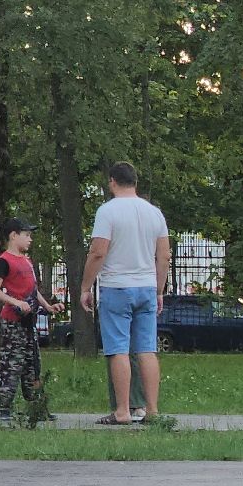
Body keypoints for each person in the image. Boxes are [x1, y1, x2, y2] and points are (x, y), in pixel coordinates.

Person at [79, 161, 170, 426]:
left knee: (118, 348)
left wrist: (86, 287)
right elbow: (163, 255)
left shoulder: (108, 212)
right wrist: (159, 289)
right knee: (146, 349)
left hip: (117, 287)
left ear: (112, 182)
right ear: (136, 182)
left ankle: (122, 411)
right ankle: (152, 411)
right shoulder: (154, 213)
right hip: (147, 287)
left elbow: (98, 252)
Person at [0, 217, 64, 420]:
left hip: (29, 322)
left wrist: (47, 306)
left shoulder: (26, 261)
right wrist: (15, 302)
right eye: (26, 235)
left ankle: (36, 407)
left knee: (32, 363)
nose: (30, 239)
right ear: (13, 236)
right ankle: (3, 407)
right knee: (12, 362)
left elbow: (33, 290)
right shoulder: (5, 260)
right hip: (13, 321)